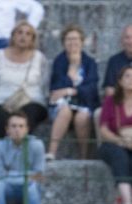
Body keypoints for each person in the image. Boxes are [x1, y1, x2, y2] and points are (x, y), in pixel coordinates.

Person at [0, 21, 49, 143]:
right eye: (19, 33)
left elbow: (45, 83)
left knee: (23, 118)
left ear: (32, 39)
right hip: (4, 101)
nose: (23, 36)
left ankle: (21, 155)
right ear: (13, 36)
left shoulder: (39, 57)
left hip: (32, 100)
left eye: (28, 34)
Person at [99, 66, 132, 204]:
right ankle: (126, 200)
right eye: (127, 76)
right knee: (119, 155)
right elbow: (103, 129)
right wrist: (120, 141)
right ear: (120, 81)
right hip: (115, 142)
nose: (131, 79)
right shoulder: (111, 101)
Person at [46, 24, 99, 160]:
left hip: (84, 103)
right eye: (68, 39)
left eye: (75, 39)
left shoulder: (90, 62)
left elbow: (91, 88)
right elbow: (56, 88)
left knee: (83, 116)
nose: (72, 42)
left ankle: (83, 156)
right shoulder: (59, 61)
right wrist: (71, 70)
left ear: (82, 42)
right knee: (64, 111)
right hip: (63, 105)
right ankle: (51, 152)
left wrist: (70, 90)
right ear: (63, 43)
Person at [0, 112, 45, 204]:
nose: (17, 130)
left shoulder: (37, 145)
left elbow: (38, 175)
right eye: (14, 126)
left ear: (27, 129)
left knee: (32, 189)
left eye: (21, 126)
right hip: (9, 188)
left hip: (28, 186)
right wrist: (25, 175)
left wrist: (9, 173)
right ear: (7, 129)